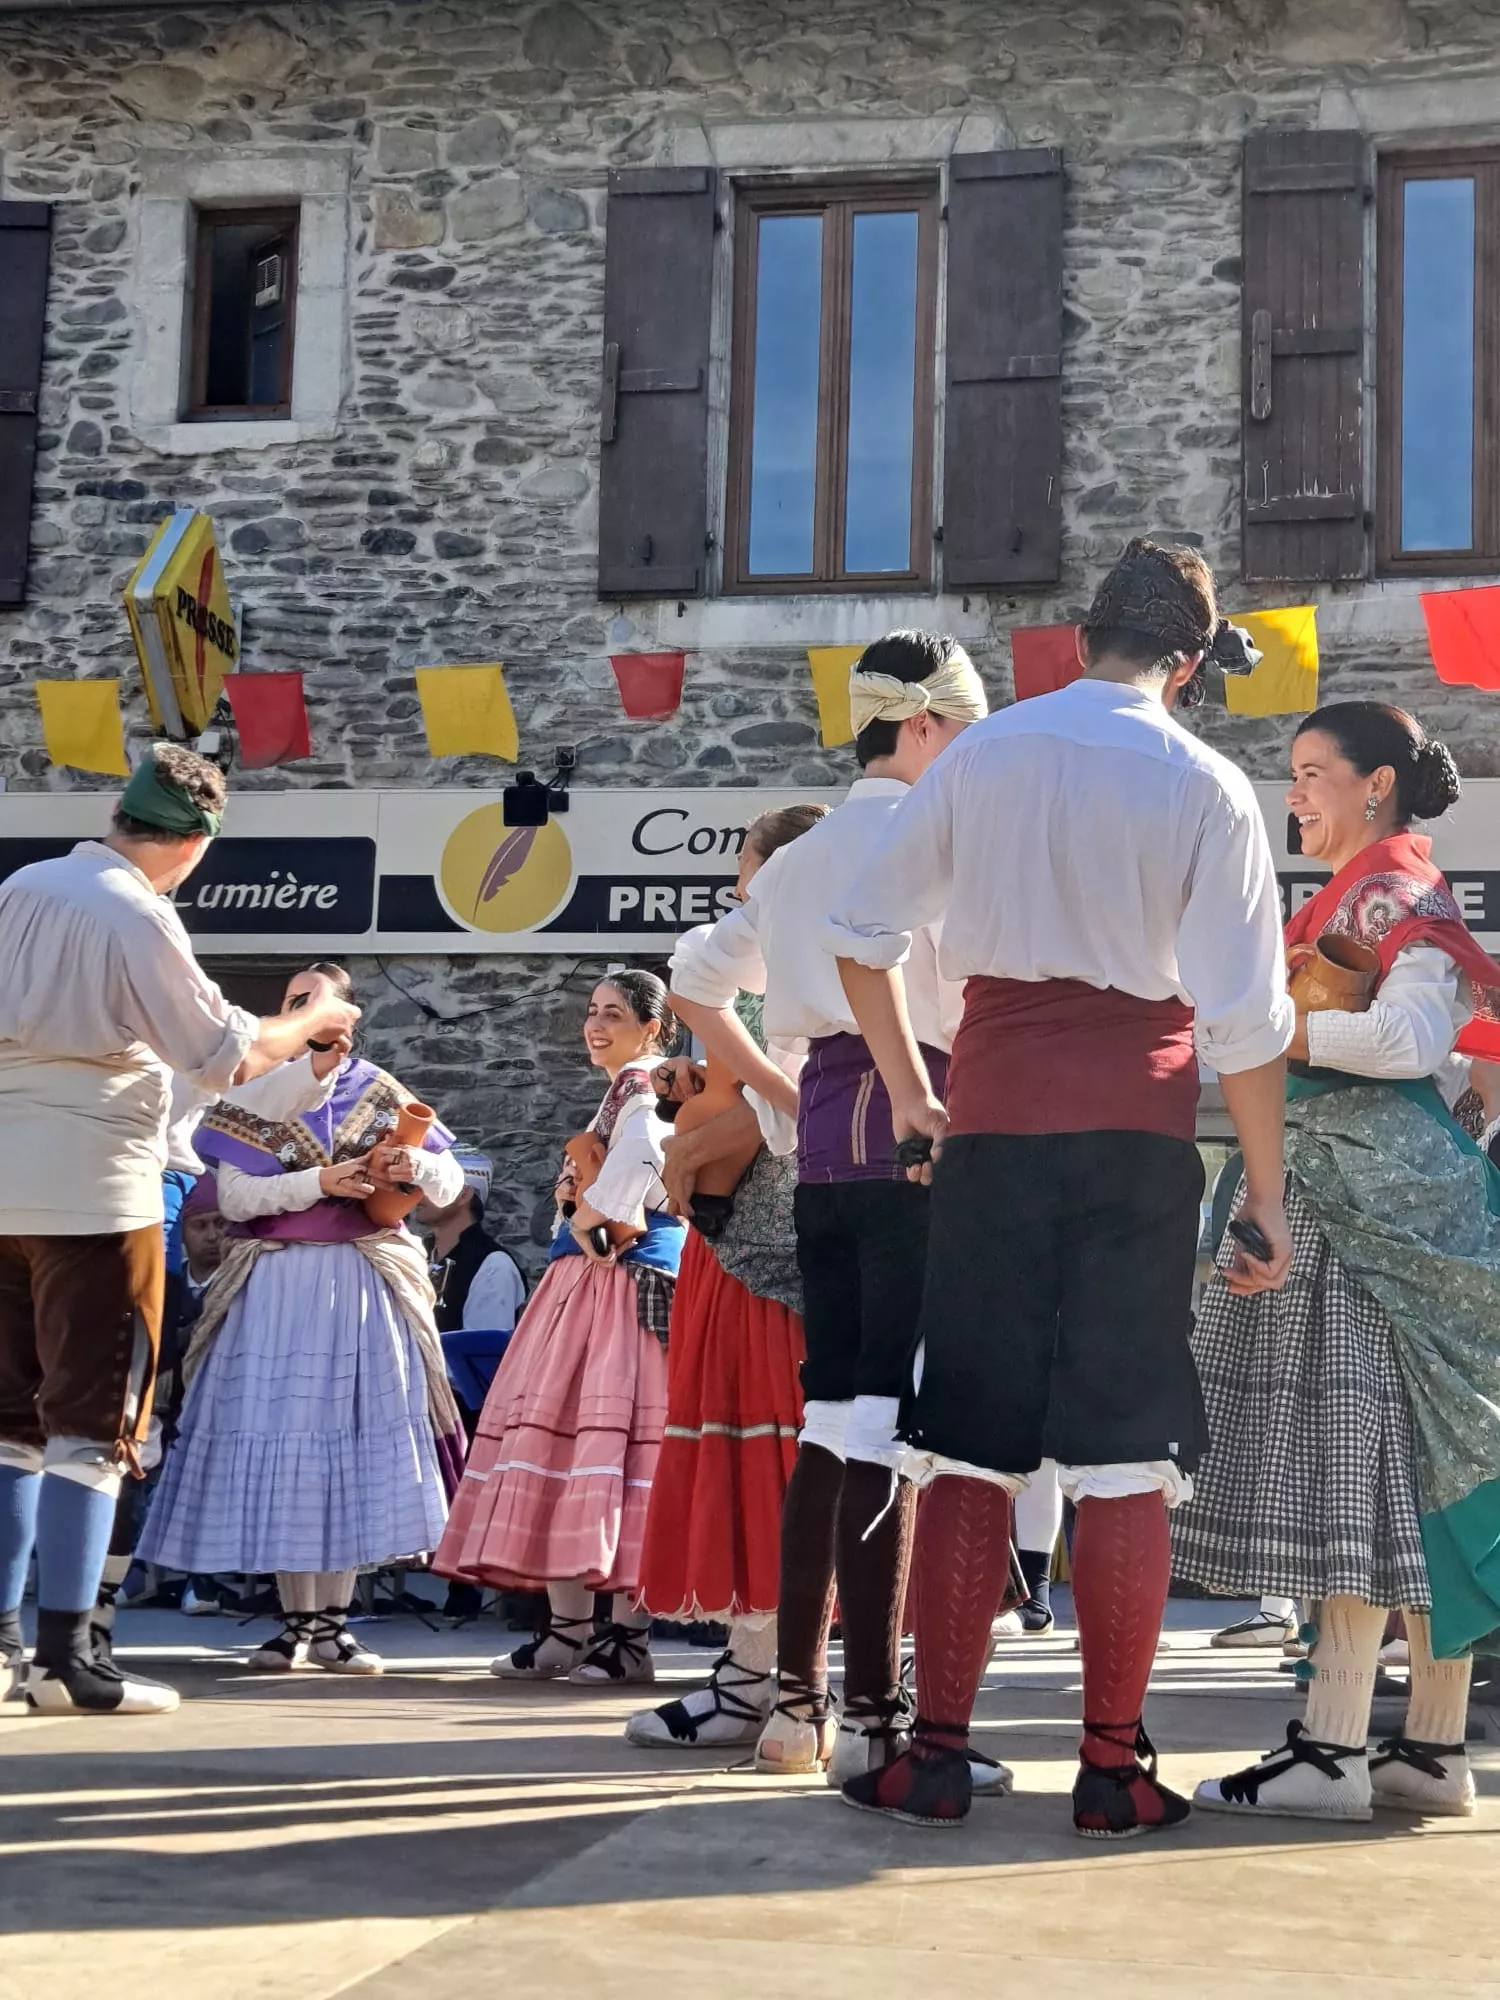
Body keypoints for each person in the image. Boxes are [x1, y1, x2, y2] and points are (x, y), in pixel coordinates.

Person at [826, 541, 1296, 1833]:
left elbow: (860, 936)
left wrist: (916, 1097)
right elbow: (1249, 1028)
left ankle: (934, 1755)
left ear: (1083, 636)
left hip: (989, 1130)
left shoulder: (983, 752)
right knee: (1125, 1455)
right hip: (1138, 1139)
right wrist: (1266, 1193)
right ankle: (1110, 1768)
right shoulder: (1207, 781)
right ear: (1190, 665)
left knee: (969, 1440)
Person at [667, 632, 988, 1783]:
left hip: (826, 1146)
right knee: (890, 1427)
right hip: (920, 1121)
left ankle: (798, 1704)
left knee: (834, 1415)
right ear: (923, 725)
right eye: (960, 730)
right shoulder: (934, 834)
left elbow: (693, 976)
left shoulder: (797, 860)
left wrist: (771, 1081)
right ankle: (871, 1717)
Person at [1175, 701, 1500, 1821]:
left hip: (1365, 1201)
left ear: (1378, 786)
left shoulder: (1392, 894)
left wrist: (1267, 1023)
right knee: (1416, 1466)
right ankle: (1432, 1748)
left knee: (1352, 1460)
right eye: (1291, 773)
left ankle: (1329, 1749)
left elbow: (1411, 1044)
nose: (1294, 794)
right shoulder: (1371, 897)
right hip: (1391, 1193)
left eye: (1314, 773)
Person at [0, 745, 360, 1716]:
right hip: (97, 1191)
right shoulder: (136, 910)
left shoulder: (22, 885)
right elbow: (229, 1053)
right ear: (195, 843)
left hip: (3, 1182)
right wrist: (318, 1013)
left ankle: (1, 1648)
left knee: (9, 1423)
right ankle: (67, 1656)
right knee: (92, 1421)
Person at [137, 961, 467, 1677]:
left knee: (344, 1442)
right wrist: (322, 1181)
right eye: (292, 1003)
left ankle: (336, 1623)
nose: (299, 1013)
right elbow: (234, 1197)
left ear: (348, 1017)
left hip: (357, 1282)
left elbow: (450, 1180)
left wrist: (415, 1165)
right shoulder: (253, 1092)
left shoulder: (382, 1092)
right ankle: (296, 1622)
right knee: (288, 1441)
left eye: (314, 1003)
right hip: (276, 1282)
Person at [626, 805, 826, 1751]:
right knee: (789, 1444)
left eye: (743, 864)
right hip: (777, 1226)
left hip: (771, 1233)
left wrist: (696, 1141)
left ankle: (766, 1677)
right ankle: (777, 1674)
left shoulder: (742, 952)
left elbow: (756, 1095)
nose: (737, 884)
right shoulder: (836, 947)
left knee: (779, 1443)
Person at [435, 972, 685, 1686]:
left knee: (611, 1449)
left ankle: (611, 1637)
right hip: (592, 1277)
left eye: (614, 1013)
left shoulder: (642, 1086)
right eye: (591, 1012)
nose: (596, 1024)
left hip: (617, 1278)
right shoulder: (624, 1089)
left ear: (652, 1028)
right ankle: (579, 1633)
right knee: (579, 1450)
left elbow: (643, 1159)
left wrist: (589, 1218)